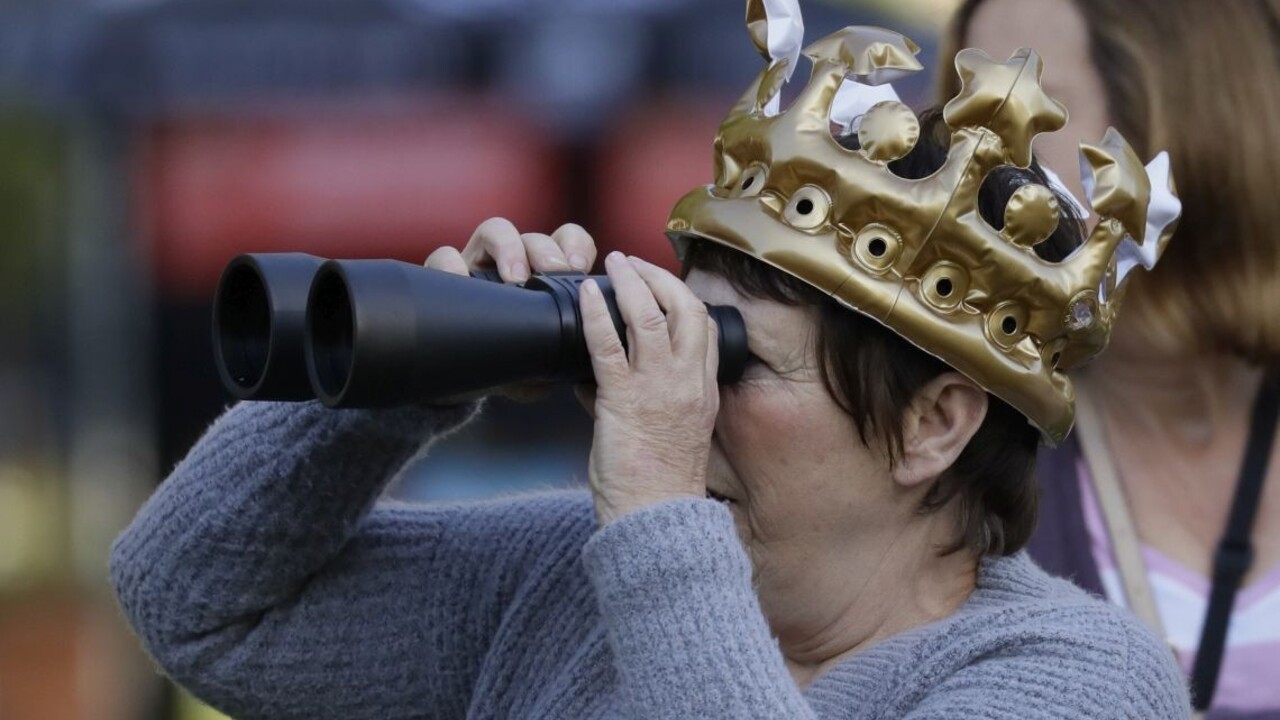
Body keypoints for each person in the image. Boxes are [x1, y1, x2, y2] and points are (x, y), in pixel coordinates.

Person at [110, 13, 1190, 720]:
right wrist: (388, 399)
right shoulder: (563, 580)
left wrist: (658, 513)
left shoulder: (1072, 681)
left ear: (933, 422)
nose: (673, 395)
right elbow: (197, 604)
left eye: (733, 362)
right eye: (680, 328)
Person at [944, 1, 1280, 716]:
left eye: (1039, 106)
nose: (977, 161)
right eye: (969, 110)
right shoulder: (959, 434)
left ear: (1193, 116)